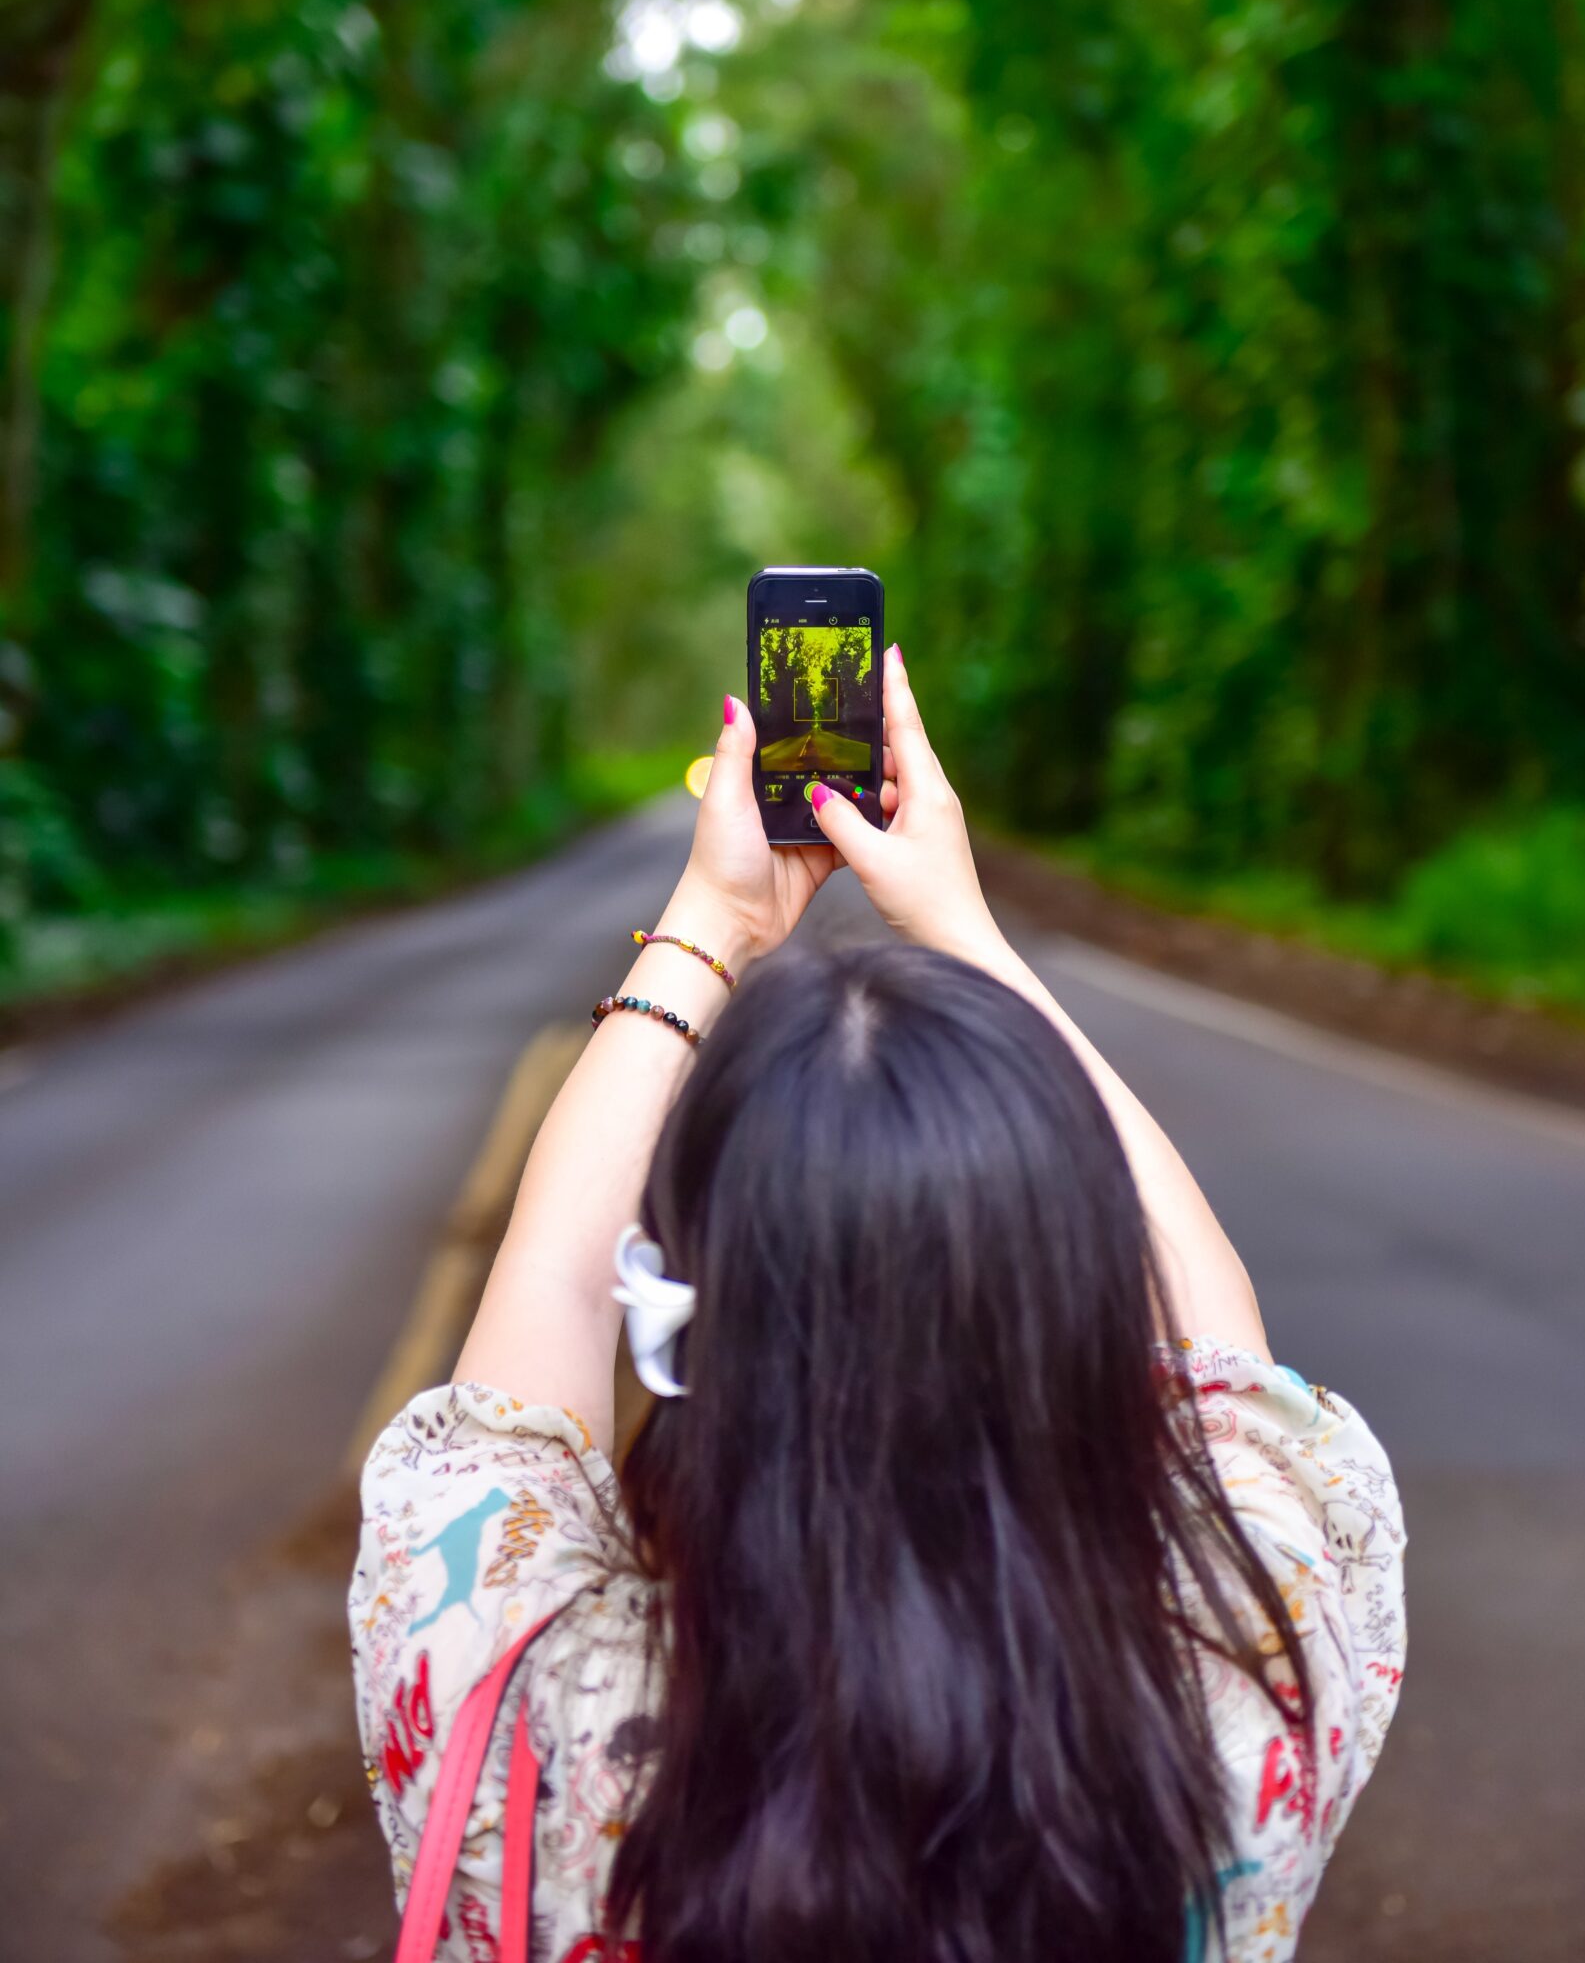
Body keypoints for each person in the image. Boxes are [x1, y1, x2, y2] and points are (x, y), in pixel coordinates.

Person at [350, 643, 1405, 1963]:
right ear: (1074, 1308)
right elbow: (1220, 1343)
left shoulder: (531, 1708)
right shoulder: (1225, 1702)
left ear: (695, 1316)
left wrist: (711, 924)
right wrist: (966, 933)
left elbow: (554, 1284)